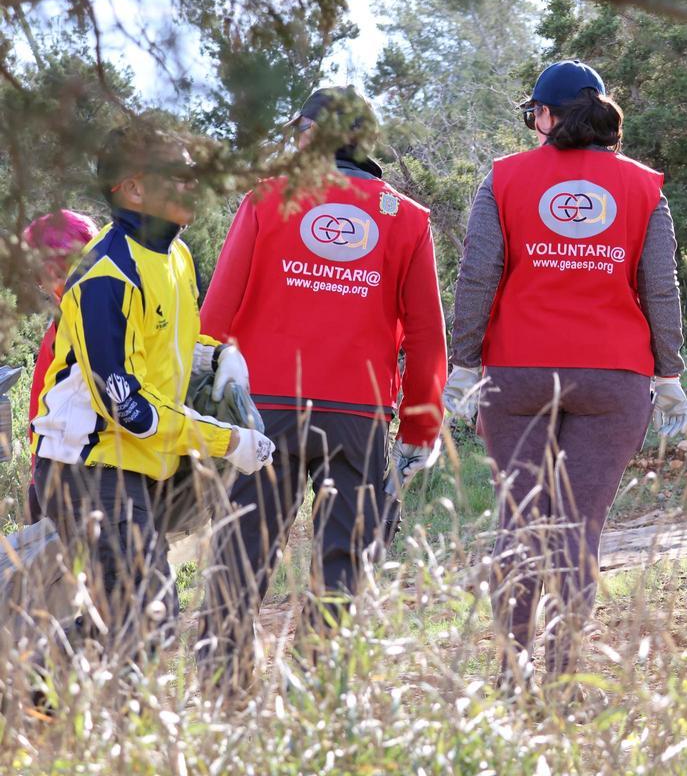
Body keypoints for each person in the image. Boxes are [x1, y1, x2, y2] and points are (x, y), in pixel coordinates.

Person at [445, 60, 687, 687]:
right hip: (614, 379)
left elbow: (477, 277)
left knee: (521, 522)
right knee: (579, 528)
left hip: (518, 374)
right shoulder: (643, 187)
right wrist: (669, 374)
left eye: (534, 115)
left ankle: (513, 676)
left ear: (549, 117)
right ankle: (556, 676)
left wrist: (464, 363)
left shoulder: (503, 179)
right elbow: (659, 288)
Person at [196, 86, 448, 683]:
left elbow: (216, 312)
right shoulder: (405, 218)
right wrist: (420, 426)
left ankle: (221, 687)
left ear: (309, 133)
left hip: (264, 409)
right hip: (357, 412)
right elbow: (426, 334)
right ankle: (316, 685)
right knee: (343, 557)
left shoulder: (267, 198)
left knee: (243, 549)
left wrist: (200, 401)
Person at [29, 121, 275, 664]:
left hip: (137, 468)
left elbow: (169, 349)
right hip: (88, 468)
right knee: (146, 621)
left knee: (135, 621)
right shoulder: (104, 278)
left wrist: (218, 356)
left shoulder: (177, 256)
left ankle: (43, 692)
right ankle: (26, 678)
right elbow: (130, 409)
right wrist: (226, 440)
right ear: (134, 188)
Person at [22, 210, 99, 524]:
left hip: (88, 476)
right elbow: (38, 410)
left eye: (47, 274)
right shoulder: (59, 328)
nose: (44, 286)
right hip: (55, 474)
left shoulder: (88, 320)